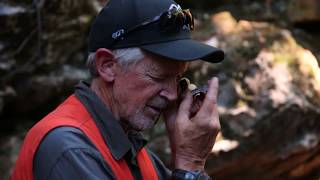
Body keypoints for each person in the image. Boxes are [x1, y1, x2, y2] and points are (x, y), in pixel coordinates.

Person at [12, 0, 224, 179]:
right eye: (158, 77)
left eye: (177, 78)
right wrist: (190, 164)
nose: (172, 94)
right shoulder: (70, 150)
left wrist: (186, 155)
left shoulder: (128, 146)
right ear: (107, 66)